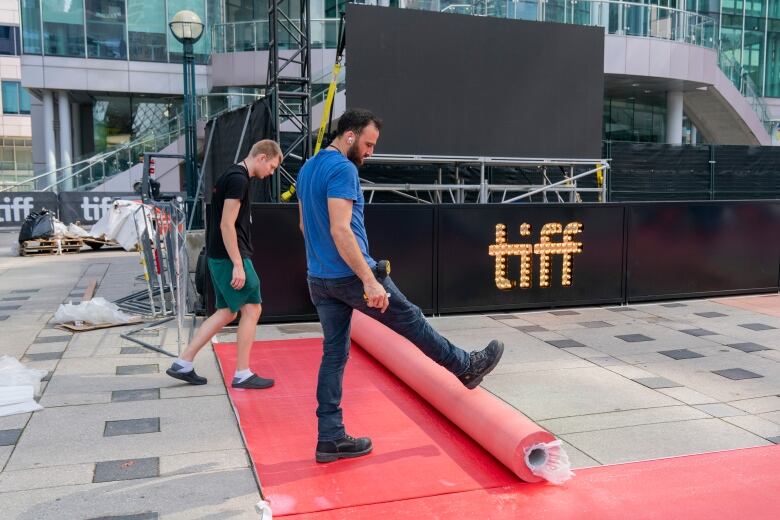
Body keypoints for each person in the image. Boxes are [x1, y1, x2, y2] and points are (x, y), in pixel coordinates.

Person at [297, 109, 504, 463]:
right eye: (368, 144)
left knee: (334, 355)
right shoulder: (342, 169)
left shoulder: (306, 169)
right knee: (412, 321)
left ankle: (329, 438)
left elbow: (304, 227)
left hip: (320, 279)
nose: (370, 152)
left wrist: (327, 267)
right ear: (349, 136)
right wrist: (367, 279)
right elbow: (340, 229)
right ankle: (465, 366)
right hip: (352, 276)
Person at [166, 139, 282, 389]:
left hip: (221, 256)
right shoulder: (239, 179)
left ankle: (183, 362)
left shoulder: (231, 175)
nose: (270, 173)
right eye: (271, 167)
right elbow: (226, 225)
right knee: (252, 309)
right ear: (262, 157)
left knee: (227, 312)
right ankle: (242, 373)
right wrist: (239, 265)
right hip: (231, 257)